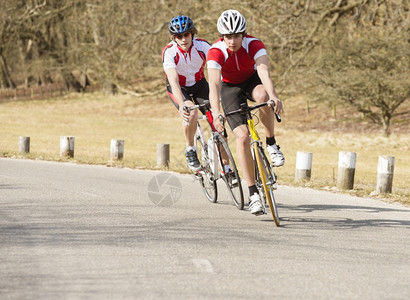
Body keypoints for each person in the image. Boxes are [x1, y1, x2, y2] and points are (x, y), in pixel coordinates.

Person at [207, 9, 285, 215]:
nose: (232, 41)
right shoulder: (215, 52)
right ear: (222, 37)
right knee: (242, 137)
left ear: (244, 34)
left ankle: (271, 143)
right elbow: (214, 85)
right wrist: (216, 112)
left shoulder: (254, 44)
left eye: (236, 36)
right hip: (229, 88)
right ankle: (252, 194)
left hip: (252, 81)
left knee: (263, 97)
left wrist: (274, 96)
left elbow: (264, 72)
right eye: (228, 36)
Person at [161, 16, 211, 171]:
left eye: (186, 35)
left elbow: (217, 69)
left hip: (199, 84)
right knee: (191, 112)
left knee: (216, 118)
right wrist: (182, 105)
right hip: (179, 87)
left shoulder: (203, 46)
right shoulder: (169, 52)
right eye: (178, 36)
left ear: (192, 33)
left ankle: (228, 168)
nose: (183, 39)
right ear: (173, 38)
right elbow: (173, 80)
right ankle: (190, 148)